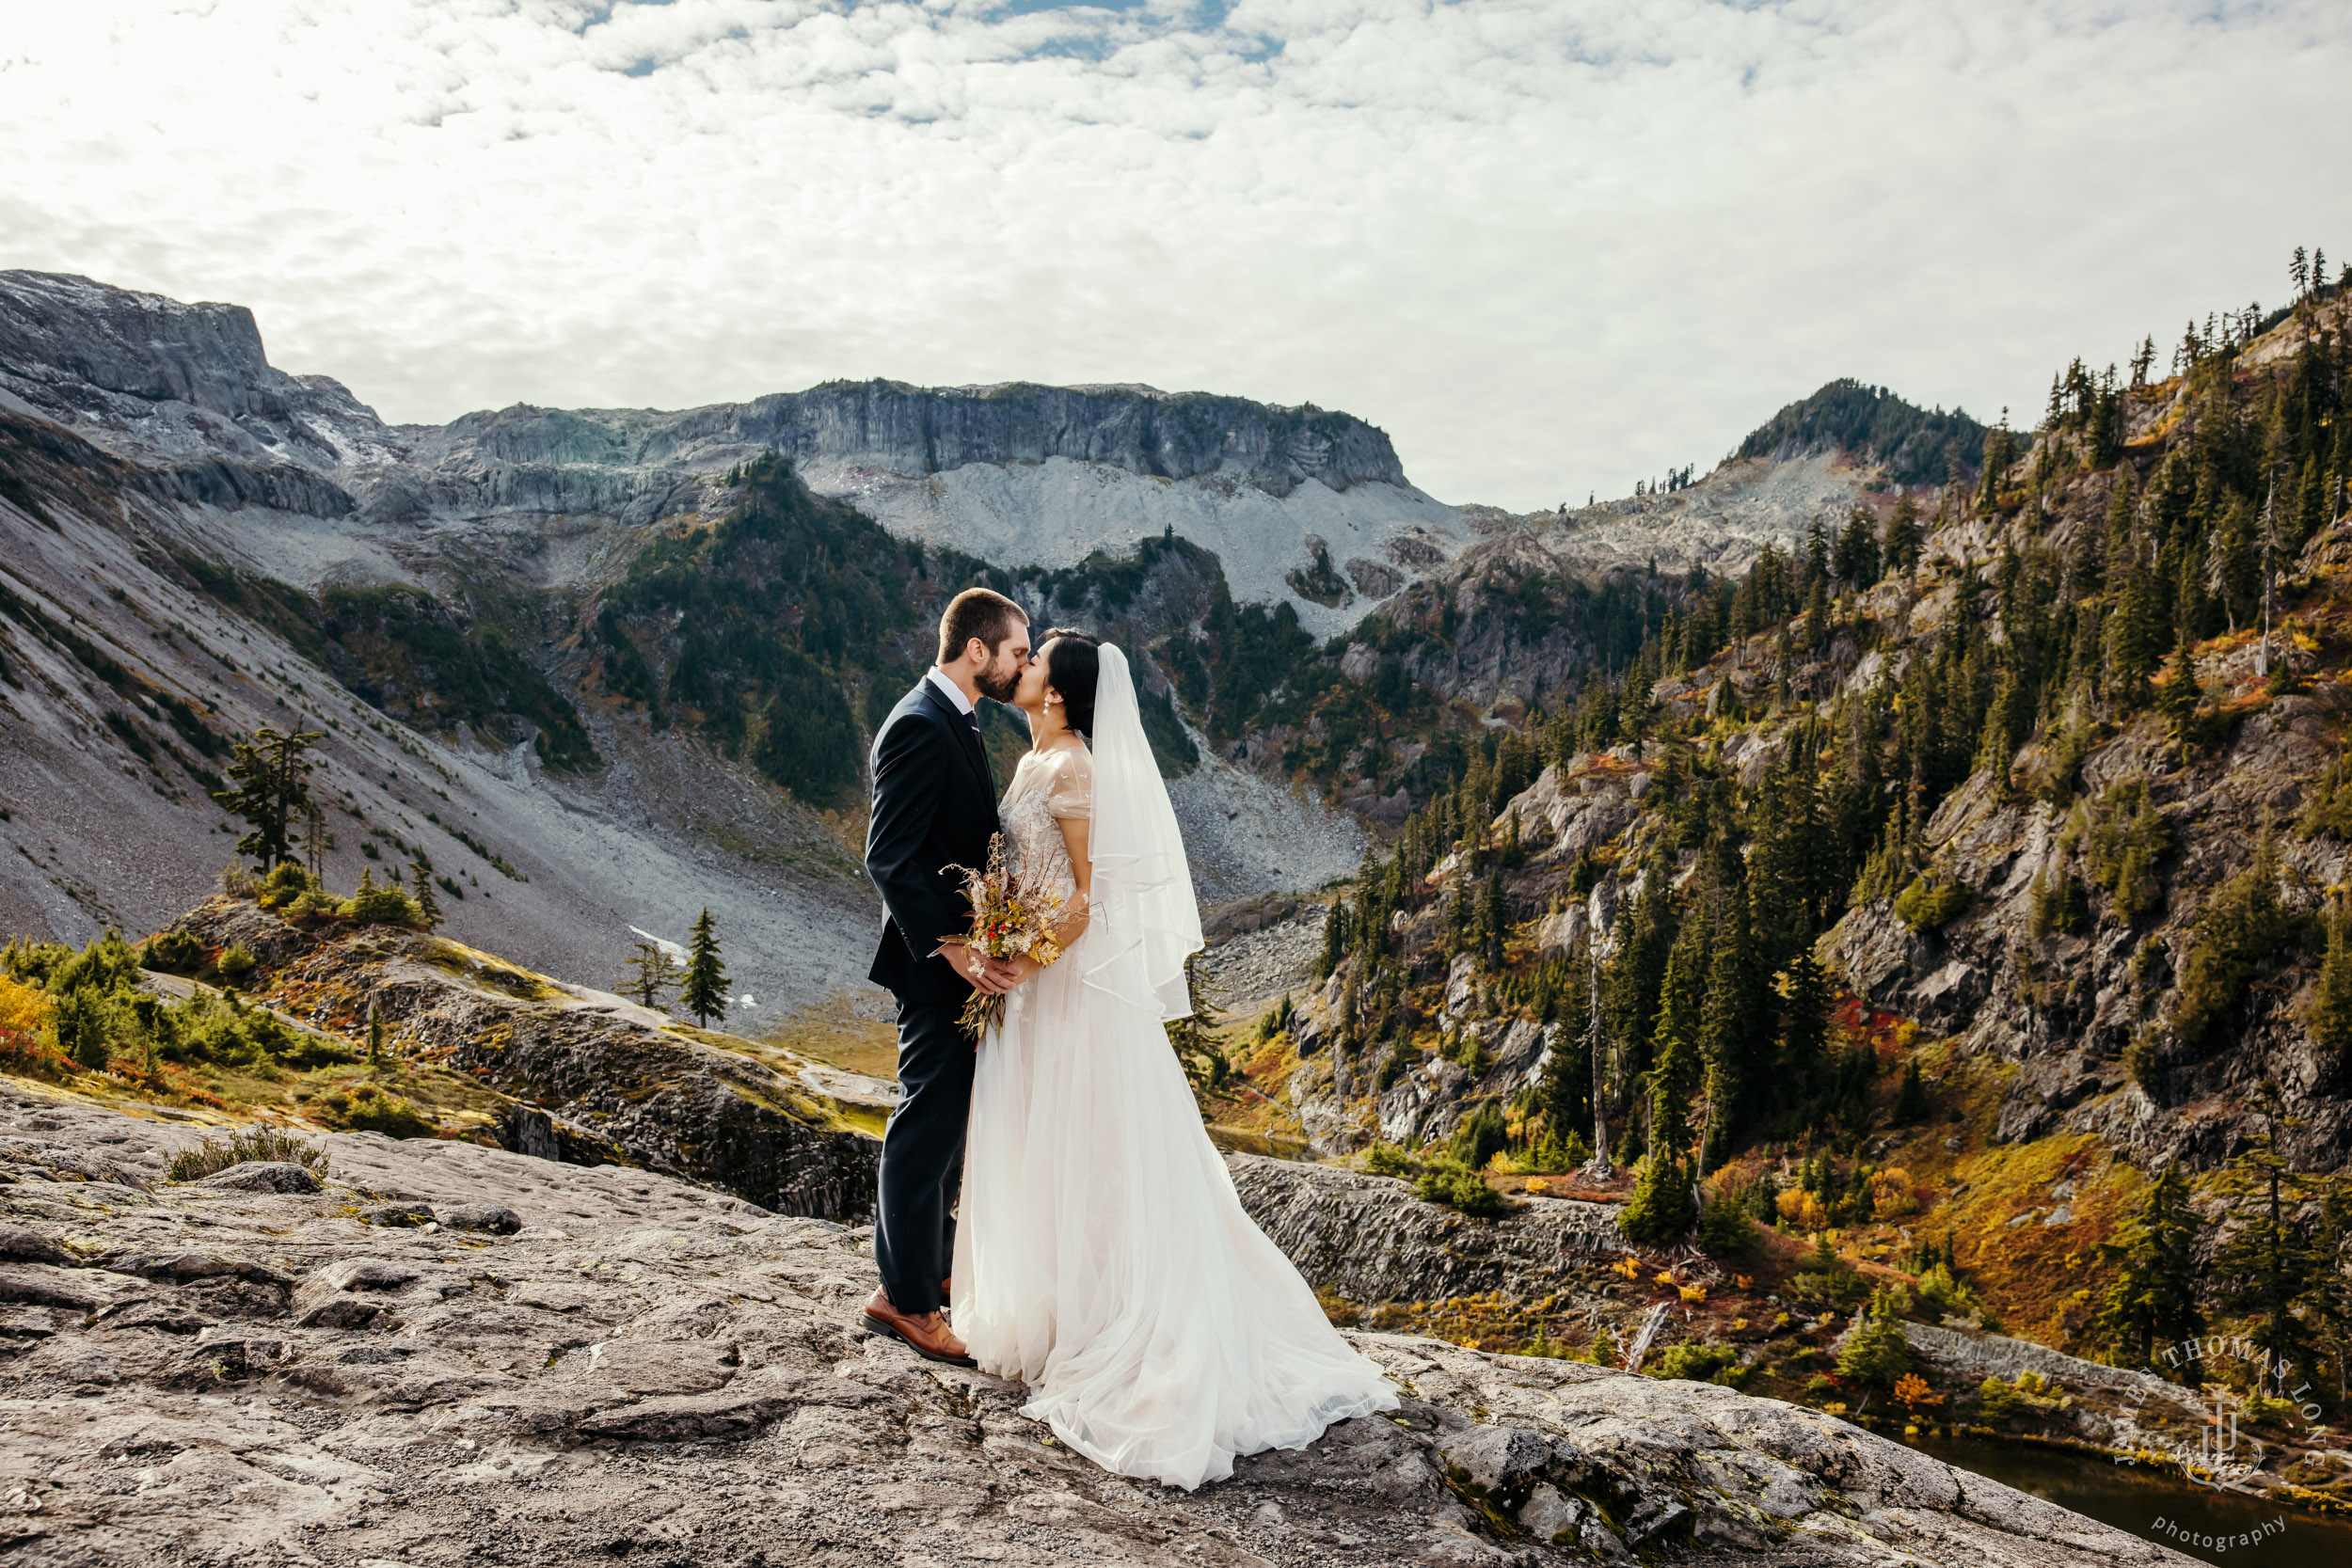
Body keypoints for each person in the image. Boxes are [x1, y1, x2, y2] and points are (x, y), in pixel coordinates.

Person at [950, 627, 1398, 1489]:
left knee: (1085, 1139)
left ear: (1059, 690)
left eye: (1036, 657)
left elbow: (1089, 895)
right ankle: (1052, 1308)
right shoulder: (1036, 760)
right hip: (1034, 978)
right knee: (1046, 1137)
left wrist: (1026, 955)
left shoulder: (1074, 765)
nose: (1025, 662)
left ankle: (1102, 1317)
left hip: (1064, 983)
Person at [860, 587, 1029, 1367]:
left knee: (945, 1129)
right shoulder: (921, 726)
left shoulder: (953, 717)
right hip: (935, 969)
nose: (1021, 666)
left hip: (957, 964)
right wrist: (955, 947)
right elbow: (887, 855)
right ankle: (906, 1300)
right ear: (977, 651)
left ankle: (921, 1271)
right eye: (1017, 652)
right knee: (925, 1125)